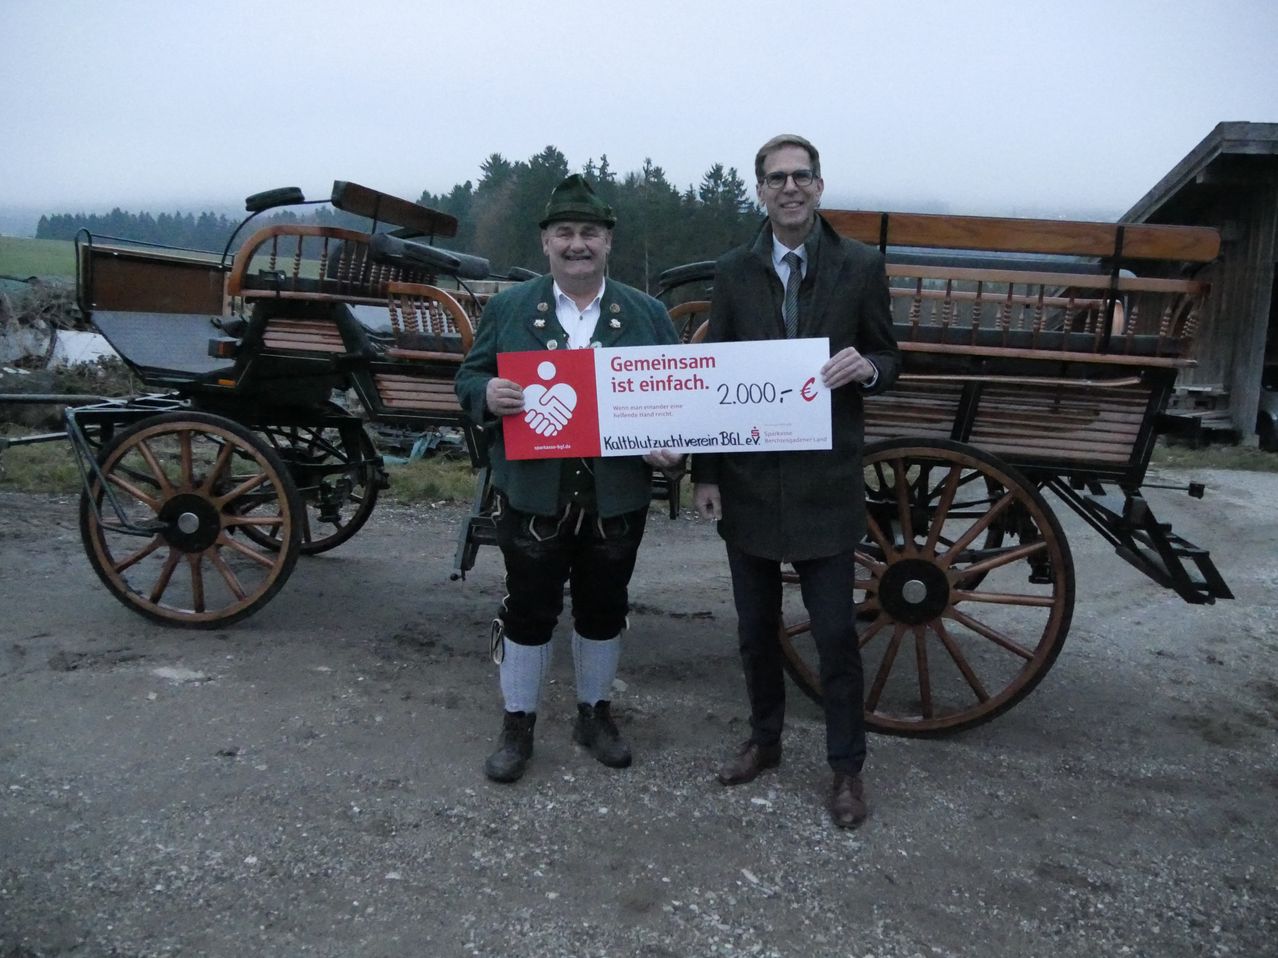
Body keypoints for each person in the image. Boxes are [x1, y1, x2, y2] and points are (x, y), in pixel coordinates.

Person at [691, 135, 901, 828]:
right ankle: (765, 740)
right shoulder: (732, 270)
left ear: (818, 186)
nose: (788, 188)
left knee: (836, 635)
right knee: (756, 631)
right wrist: (707, 472)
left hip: (825, 480)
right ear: (760, 190)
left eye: (800, 176)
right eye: (775, 178)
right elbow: (714, 375)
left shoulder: (861, 266)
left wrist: (866, 369)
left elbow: (887, 354)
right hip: (751, 479)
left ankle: (847, 770)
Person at [455, 174, 681, 784]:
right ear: (545, 244)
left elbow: (678, 398)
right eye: (565, 233)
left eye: (589, 233)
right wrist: (489, 394)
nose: (577, 244)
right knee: (529, 609)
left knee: (604, 608)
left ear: (608, 243)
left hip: (616, 494)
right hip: (533, 492)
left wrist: (672, 448)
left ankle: (593, 715)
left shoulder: (646, 313)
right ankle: (517, 724)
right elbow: (467, 381)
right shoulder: (508, 308)